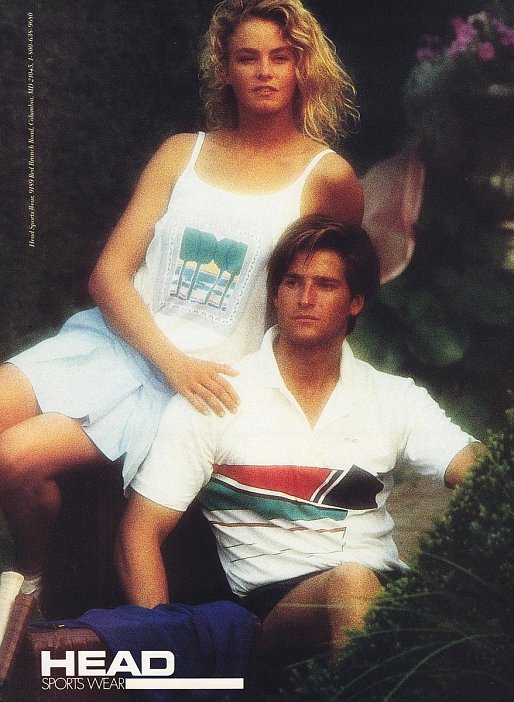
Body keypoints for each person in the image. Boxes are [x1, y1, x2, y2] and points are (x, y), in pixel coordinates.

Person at [0, 0, 363, 600]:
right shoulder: (181, 152)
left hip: (197, 384)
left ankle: (31, 587)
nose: (264, 71)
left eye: (280, 57)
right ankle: (24, 584)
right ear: (225, 69)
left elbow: (324, 300)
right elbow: (109, 275)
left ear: (302, 67)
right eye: (247, 57)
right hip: (120, 344)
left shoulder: (328, 178)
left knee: (12, 458)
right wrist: (169, 358)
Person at [117, 215, 484, 663]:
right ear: (275, 295)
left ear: (355, 301)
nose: (305, 298)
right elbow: (139, 533)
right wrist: (161, 655)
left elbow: (476, 470)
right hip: (274, 607)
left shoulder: (393, 396)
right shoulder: (217, 397)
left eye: (325, 285)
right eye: (293, 282)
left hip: (387, 587)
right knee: (351, 583)